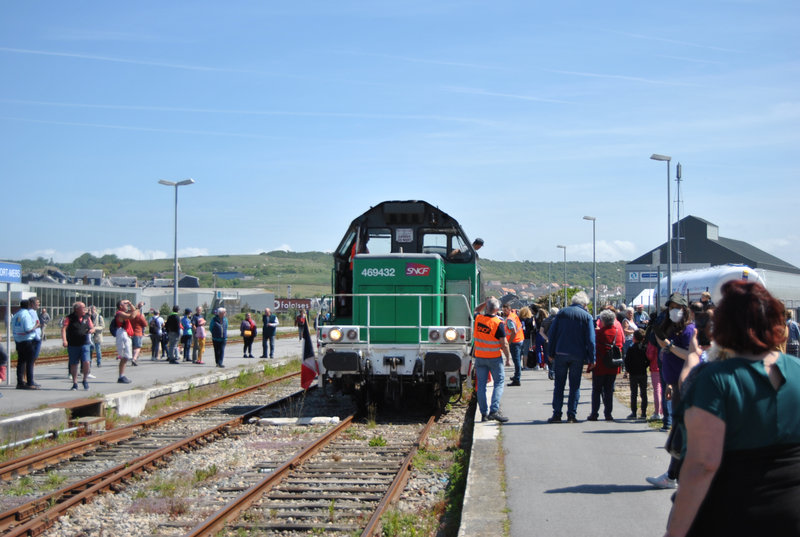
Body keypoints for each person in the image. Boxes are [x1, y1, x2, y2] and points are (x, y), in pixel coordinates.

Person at [664, 280, 800, 537]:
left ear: (723, 325)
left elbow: (702, 464)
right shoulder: (796, 370)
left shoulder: (716, 379)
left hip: (732, 514)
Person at [646, 292, 695, 489]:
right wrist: (668, 383)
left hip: (686, 385)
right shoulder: (672, 329)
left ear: (685, 309)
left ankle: (674, 475)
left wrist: (669, 346)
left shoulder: (689, 331)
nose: (674, 311)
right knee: (679, 431)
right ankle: (675, 474)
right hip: (675, 383)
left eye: (678, 307)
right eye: (671, 307)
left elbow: (691, 356)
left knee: (680, 432)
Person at [546, 291, 595, 423]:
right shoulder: (587, 316)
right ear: (584, 304)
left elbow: (552, 334)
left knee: (559, 385)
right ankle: (571, 415)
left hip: (560, 353)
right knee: (575, 386)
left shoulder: (562, 313)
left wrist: (550, 353)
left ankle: (557, 414)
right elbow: (591, 340)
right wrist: (592, 359)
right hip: (578, 355)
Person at [473, 297, 512, 422]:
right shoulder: (498, 323)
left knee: (481, 386)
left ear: (487, 308)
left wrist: (485, 302)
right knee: (499, 383)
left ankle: (483, 413)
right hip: (494, 358)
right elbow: (504, 343)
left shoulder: (478, 319)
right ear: (497, 309)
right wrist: (508, 358)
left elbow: (475, 310)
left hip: (480, 358)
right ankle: (494, 411)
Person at [587, 309, 623, 421]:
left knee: (597, 390)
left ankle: (594, 413)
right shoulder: (617, 332)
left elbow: (594, 347)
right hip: (613, 365)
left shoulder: (599, 333)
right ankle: (608, 414)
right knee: (608, 390)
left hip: (600, 366)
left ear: (603, 321)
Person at [61, 301, 94, 391]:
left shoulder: (87, 317)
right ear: (77, 309)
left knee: (86, 362)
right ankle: (75, 383)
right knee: (74, 363)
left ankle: (85, 380)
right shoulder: (69, 318)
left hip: (85, 343)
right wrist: (64, 340)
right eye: (83, 307)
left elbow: (92, 327)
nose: (85, 309)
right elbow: (63, 329)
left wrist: (92, 330)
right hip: (73, 344)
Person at [11, 299, 38, 389]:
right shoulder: (26, 315)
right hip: (27, 340)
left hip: (18, 340)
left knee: (21, 362)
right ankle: (30, 382)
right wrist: (36, 326)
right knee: (30, 362)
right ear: (29, 305)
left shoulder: (16, 315)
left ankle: (20, 382)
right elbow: (28, 329)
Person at [624, 329, 649, 419]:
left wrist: (628, 370)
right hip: (642, 372)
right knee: (644, 393)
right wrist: (645, 366)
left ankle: (634, 412)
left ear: (634, 338)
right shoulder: (645, 348)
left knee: (634, 393)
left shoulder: (631, 348)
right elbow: (648, 360)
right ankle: (643, 413)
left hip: (633, 374)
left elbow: (627, 361)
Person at [113, 299, 137, 383]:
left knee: (126, 356)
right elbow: (132, 316)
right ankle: (121, 376)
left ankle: (122, 375)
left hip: (125, 334)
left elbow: (133, 313)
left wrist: (131, 304)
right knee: (124, 356)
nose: (127, 305)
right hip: (122, 334)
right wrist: (136, 309)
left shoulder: (124, 313)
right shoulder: (120, 313)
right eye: (125, 304)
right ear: (120, 306)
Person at [501, 303, 525, 386]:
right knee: (517, 360)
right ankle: (516, 376)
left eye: (504, 310)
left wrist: (509, 342)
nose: (503, 312)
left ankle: (517, 379)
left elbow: (513, 331)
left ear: (508, 309)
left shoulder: (509, 319)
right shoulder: (513, 315)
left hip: (515, 341)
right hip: (520, 339)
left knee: (516, 360)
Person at [539, 307, 558, 379]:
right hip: (556, 341)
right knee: (556, 356)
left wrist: (546, 338)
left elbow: (541, 331)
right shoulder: (558, 321)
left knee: (549, 355)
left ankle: (550, 371)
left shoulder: (545, 320)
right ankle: (554, 372)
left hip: (547, 341)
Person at [130, 302, 147, 366]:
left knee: (133, 347)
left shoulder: (131, 316)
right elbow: (145, 324)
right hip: (138, 332)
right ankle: (134, 359)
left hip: (131, 333)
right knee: (138, 347)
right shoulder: (139, 316)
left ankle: (134, 357)